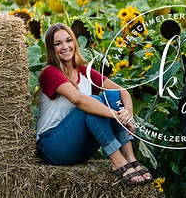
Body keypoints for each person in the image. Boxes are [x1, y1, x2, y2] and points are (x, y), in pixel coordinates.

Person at [35, 22, 152, 185]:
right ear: (51, 48)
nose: (65, 46)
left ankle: (130, 158)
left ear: (74, 42)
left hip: (80, 150)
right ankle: (117, 161)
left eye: (68, 41)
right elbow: (79, 100)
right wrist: (115, 115)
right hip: (53, 147)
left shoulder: (83, 71)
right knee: (92, 103)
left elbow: (122, 91)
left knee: (111, 95)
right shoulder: (50, 73)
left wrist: (128, 112)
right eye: (58, 43)